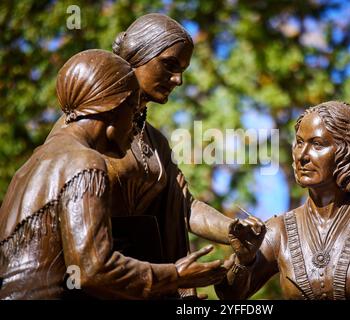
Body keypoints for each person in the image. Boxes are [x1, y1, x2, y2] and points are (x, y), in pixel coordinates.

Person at [46, 13, 264, 299]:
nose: (178, 80)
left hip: (147, 282)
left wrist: (232, 230)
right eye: (169, 65)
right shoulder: (84, 123)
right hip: (93, 279)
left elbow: (184, 205)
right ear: (136, 57)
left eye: (183, 69)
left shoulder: (156, 141)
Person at [0, 50, 228, 299]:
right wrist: (176, 275)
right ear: (111, 108)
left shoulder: (33, 163)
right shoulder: (85, 162)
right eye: (132, 111)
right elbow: (94, 269)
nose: (134, 127)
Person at [215, 101, 350, 300]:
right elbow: (230, 296)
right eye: (299, 143)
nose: (303, 155)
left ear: (346, 151)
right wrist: (244, 261)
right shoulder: (279, 231)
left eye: (317, 144)